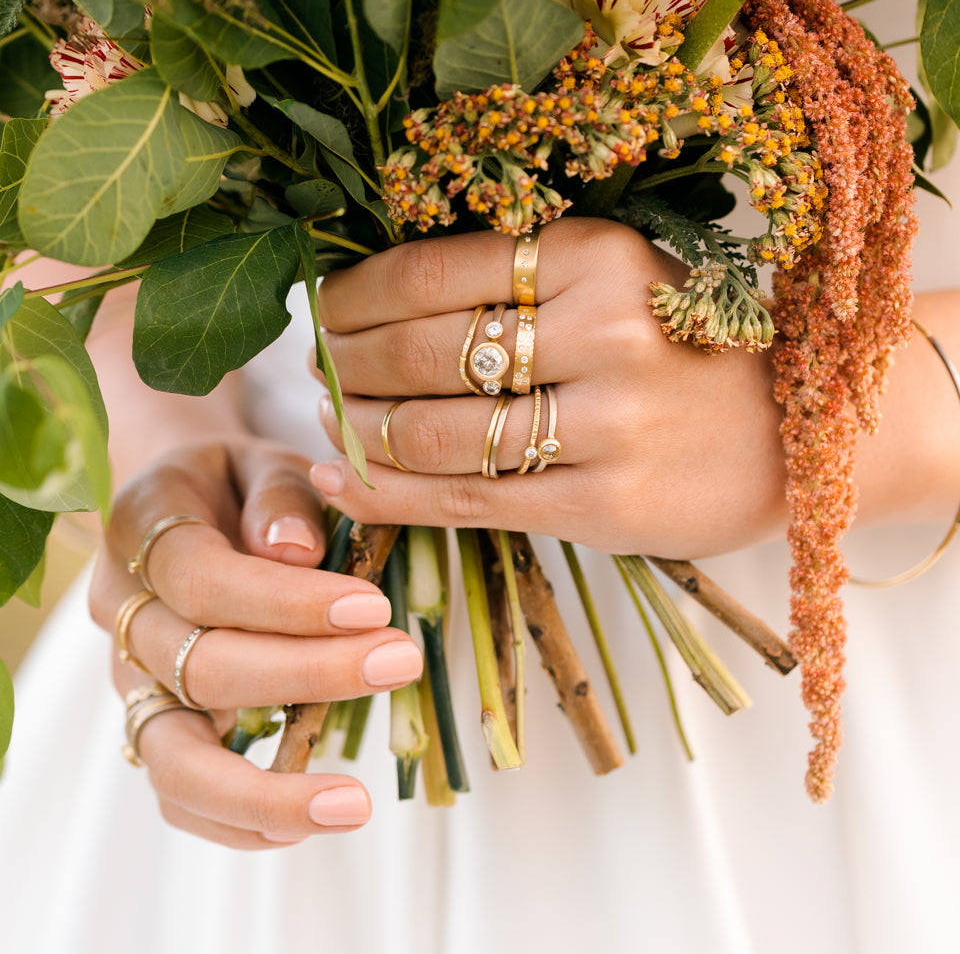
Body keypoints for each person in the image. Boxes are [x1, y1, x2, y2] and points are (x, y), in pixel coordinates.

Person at [1, 146, 959, 954]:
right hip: (283, 560)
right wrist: (163, 455)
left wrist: (834, 413)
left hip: (842, 648)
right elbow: (69, 221)